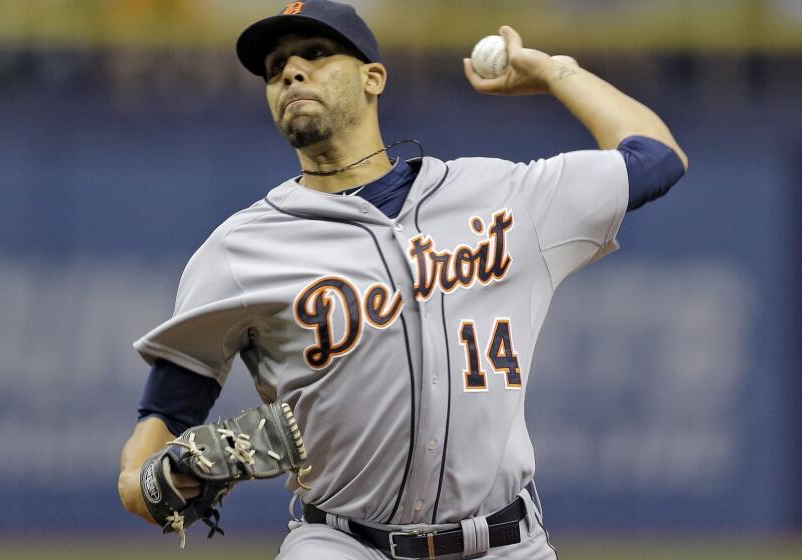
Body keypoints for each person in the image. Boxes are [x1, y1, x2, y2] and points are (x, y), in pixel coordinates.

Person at [117, 1, 688, 558]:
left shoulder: (503, 198)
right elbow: (160, 425)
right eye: (275, 70)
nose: (291, 72)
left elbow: (657, 156)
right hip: (339, 541)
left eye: (316, 54)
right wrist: (145, 483)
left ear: (374, 77)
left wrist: (556, 72)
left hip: (505, 541)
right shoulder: (239, 250)